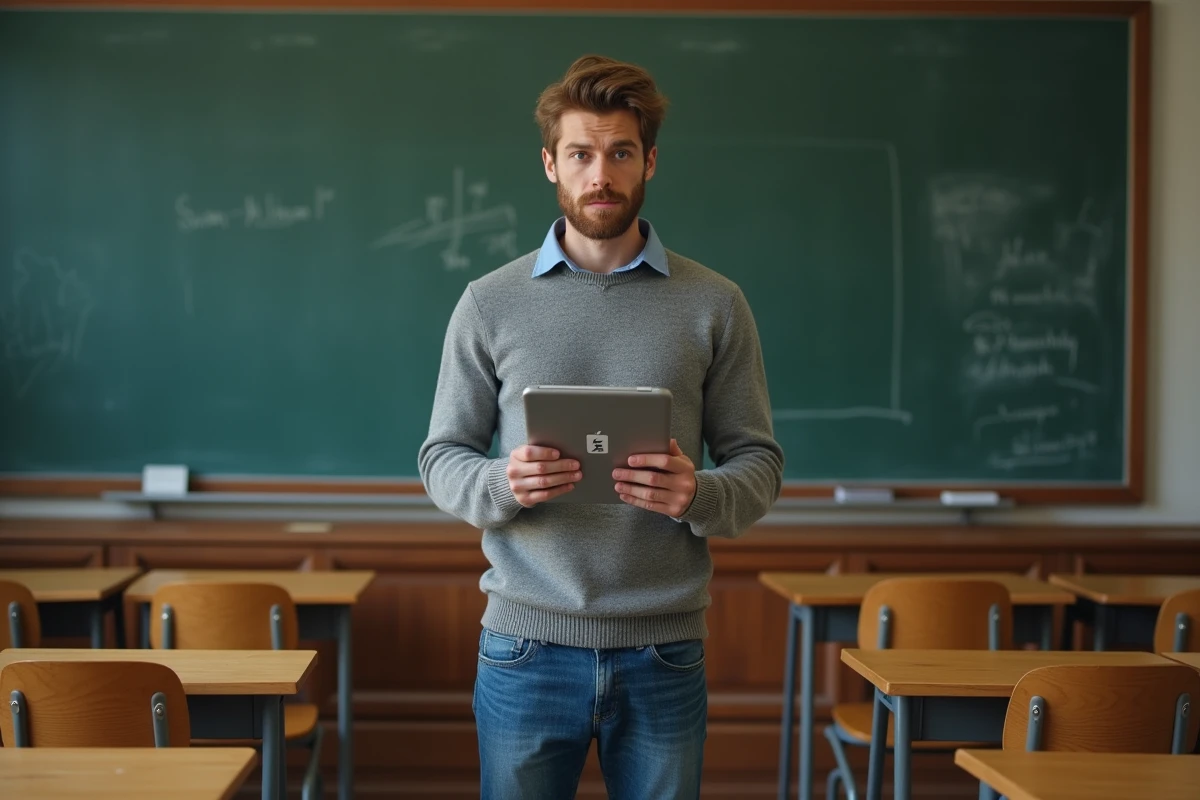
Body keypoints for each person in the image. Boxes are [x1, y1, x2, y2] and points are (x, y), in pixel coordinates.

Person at [418, 54, 784, 800]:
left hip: (665, 648)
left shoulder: (714, 303)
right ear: (550, 163)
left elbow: (759, 461)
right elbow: (441, 456)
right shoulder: (489, 302)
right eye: (581, 154)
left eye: (620, 153)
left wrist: (700, 496)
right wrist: (499, 479)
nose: (601, 175)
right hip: (525, 643)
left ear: (649, 160)